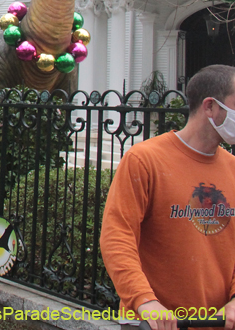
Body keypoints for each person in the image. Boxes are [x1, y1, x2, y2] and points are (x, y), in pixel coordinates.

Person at [101, 64, 235, 330]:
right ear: (210, 107)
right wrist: (144, 301)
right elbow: (118, 235)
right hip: (154, 325)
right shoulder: (144, 160)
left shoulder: (233, 168)